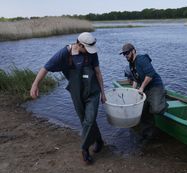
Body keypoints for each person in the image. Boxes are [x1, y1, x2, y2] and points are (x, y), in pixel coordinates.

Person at [30, 32, 107, 165]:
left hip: (93, 92)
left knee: (90, 119)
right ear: (79, 44)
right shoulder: (64, 54)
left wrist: (103, 93)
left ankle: (84, 149)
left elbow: (98, 73)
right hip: (76, 93)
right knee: (85, 120)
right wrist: (35, 84)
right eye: (86, 49)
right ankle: (99, 140)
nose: (89, 52)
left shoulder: (92, 54)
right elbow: (45, 68)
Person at [120, 43, 168, 142]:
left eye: (127, 53)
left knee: (157, 109)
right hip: (145, 88)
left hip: (155, 86)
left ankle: (162, 102)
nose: (126, 56)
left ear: (133, 51)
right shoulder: (131, 64)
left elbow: (150, 74)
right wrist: (133, 92)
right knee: (142, 110)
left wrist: (141, 88)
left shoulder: (142, 59)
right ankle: (148, 135)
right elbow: (135, 79)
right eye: (124, 54)